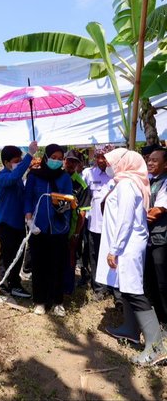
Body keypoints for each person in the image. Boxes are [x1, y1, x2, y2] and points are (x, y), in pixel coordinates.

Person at [97, 148, 166, 366]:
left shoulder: (127, 185)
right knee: (126, 288)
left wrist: (114, 249)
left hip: (127, 246)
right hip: (127, 244)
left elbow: (125, 220)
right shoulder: (128, 182)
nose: (109, 166)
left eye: (112, 162)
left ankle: (156, 348)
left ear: (123, 163)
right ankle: (130, 329)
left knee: (135, 292)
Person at [24, 144, 73, 316]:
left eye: (60, 158)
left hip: (59, 229)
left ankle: (58, 302)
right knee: (39, 266)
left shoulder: (64, 177)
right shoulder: (34, 176)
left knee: (57, 266)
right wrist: (29, 220)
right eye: (54, 157)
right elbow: (28, 198)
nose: (57, 161)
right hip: (38, 229)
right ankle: (39, 301)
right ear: (46, 157)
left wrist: (63, 206)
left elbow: (70, 200)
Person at [0, 141, 38, 304]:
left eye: (20, 160)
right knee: (6, 257)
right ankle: (4, 291)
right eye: (16, 161)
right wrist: (29, 155)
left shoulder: (18, 178)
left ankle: (15, 284)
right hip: (6, 224)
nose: (19, 163)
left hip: (19, 224)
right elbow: (14, 177)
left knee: (18, 255)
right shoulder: (2, 177)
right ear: (6, 163)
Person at [82, 145, 118, 303]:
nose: (101, 160)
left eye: (104, 157)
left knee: (112, 257)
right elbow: (84, 196)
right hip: (94, 225)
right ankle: (99, 288)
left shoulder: (116, 175)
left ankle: (114, 289)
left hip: (112, 226)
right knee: (94, 256)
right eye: (98, 157)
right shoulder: (89, 173)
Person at [63, 149, 91, 295]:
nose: (71, 164)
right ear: (64, 161)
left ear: (78, 164)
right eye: (69, 160)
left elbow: (82, 212)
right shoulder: (57, 178)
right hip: (56, 227)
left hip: (72, 229)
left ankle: (68, 287)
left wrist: (76, 234)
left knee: (71, 257)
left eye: (74, 161)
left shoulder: (82, 185)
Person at [144, 147, 167, 326]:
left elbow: (155, 212)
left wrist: (133, 220)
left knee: (162, 282)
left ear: (165, 164)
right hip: (150, 237)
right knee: (150, 279)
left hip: (161, 239)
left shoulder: (165, 183)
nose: (150, 163)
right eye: (149, 159)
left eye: (155, 160)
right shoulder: (150, 181)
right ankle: (157, 317)